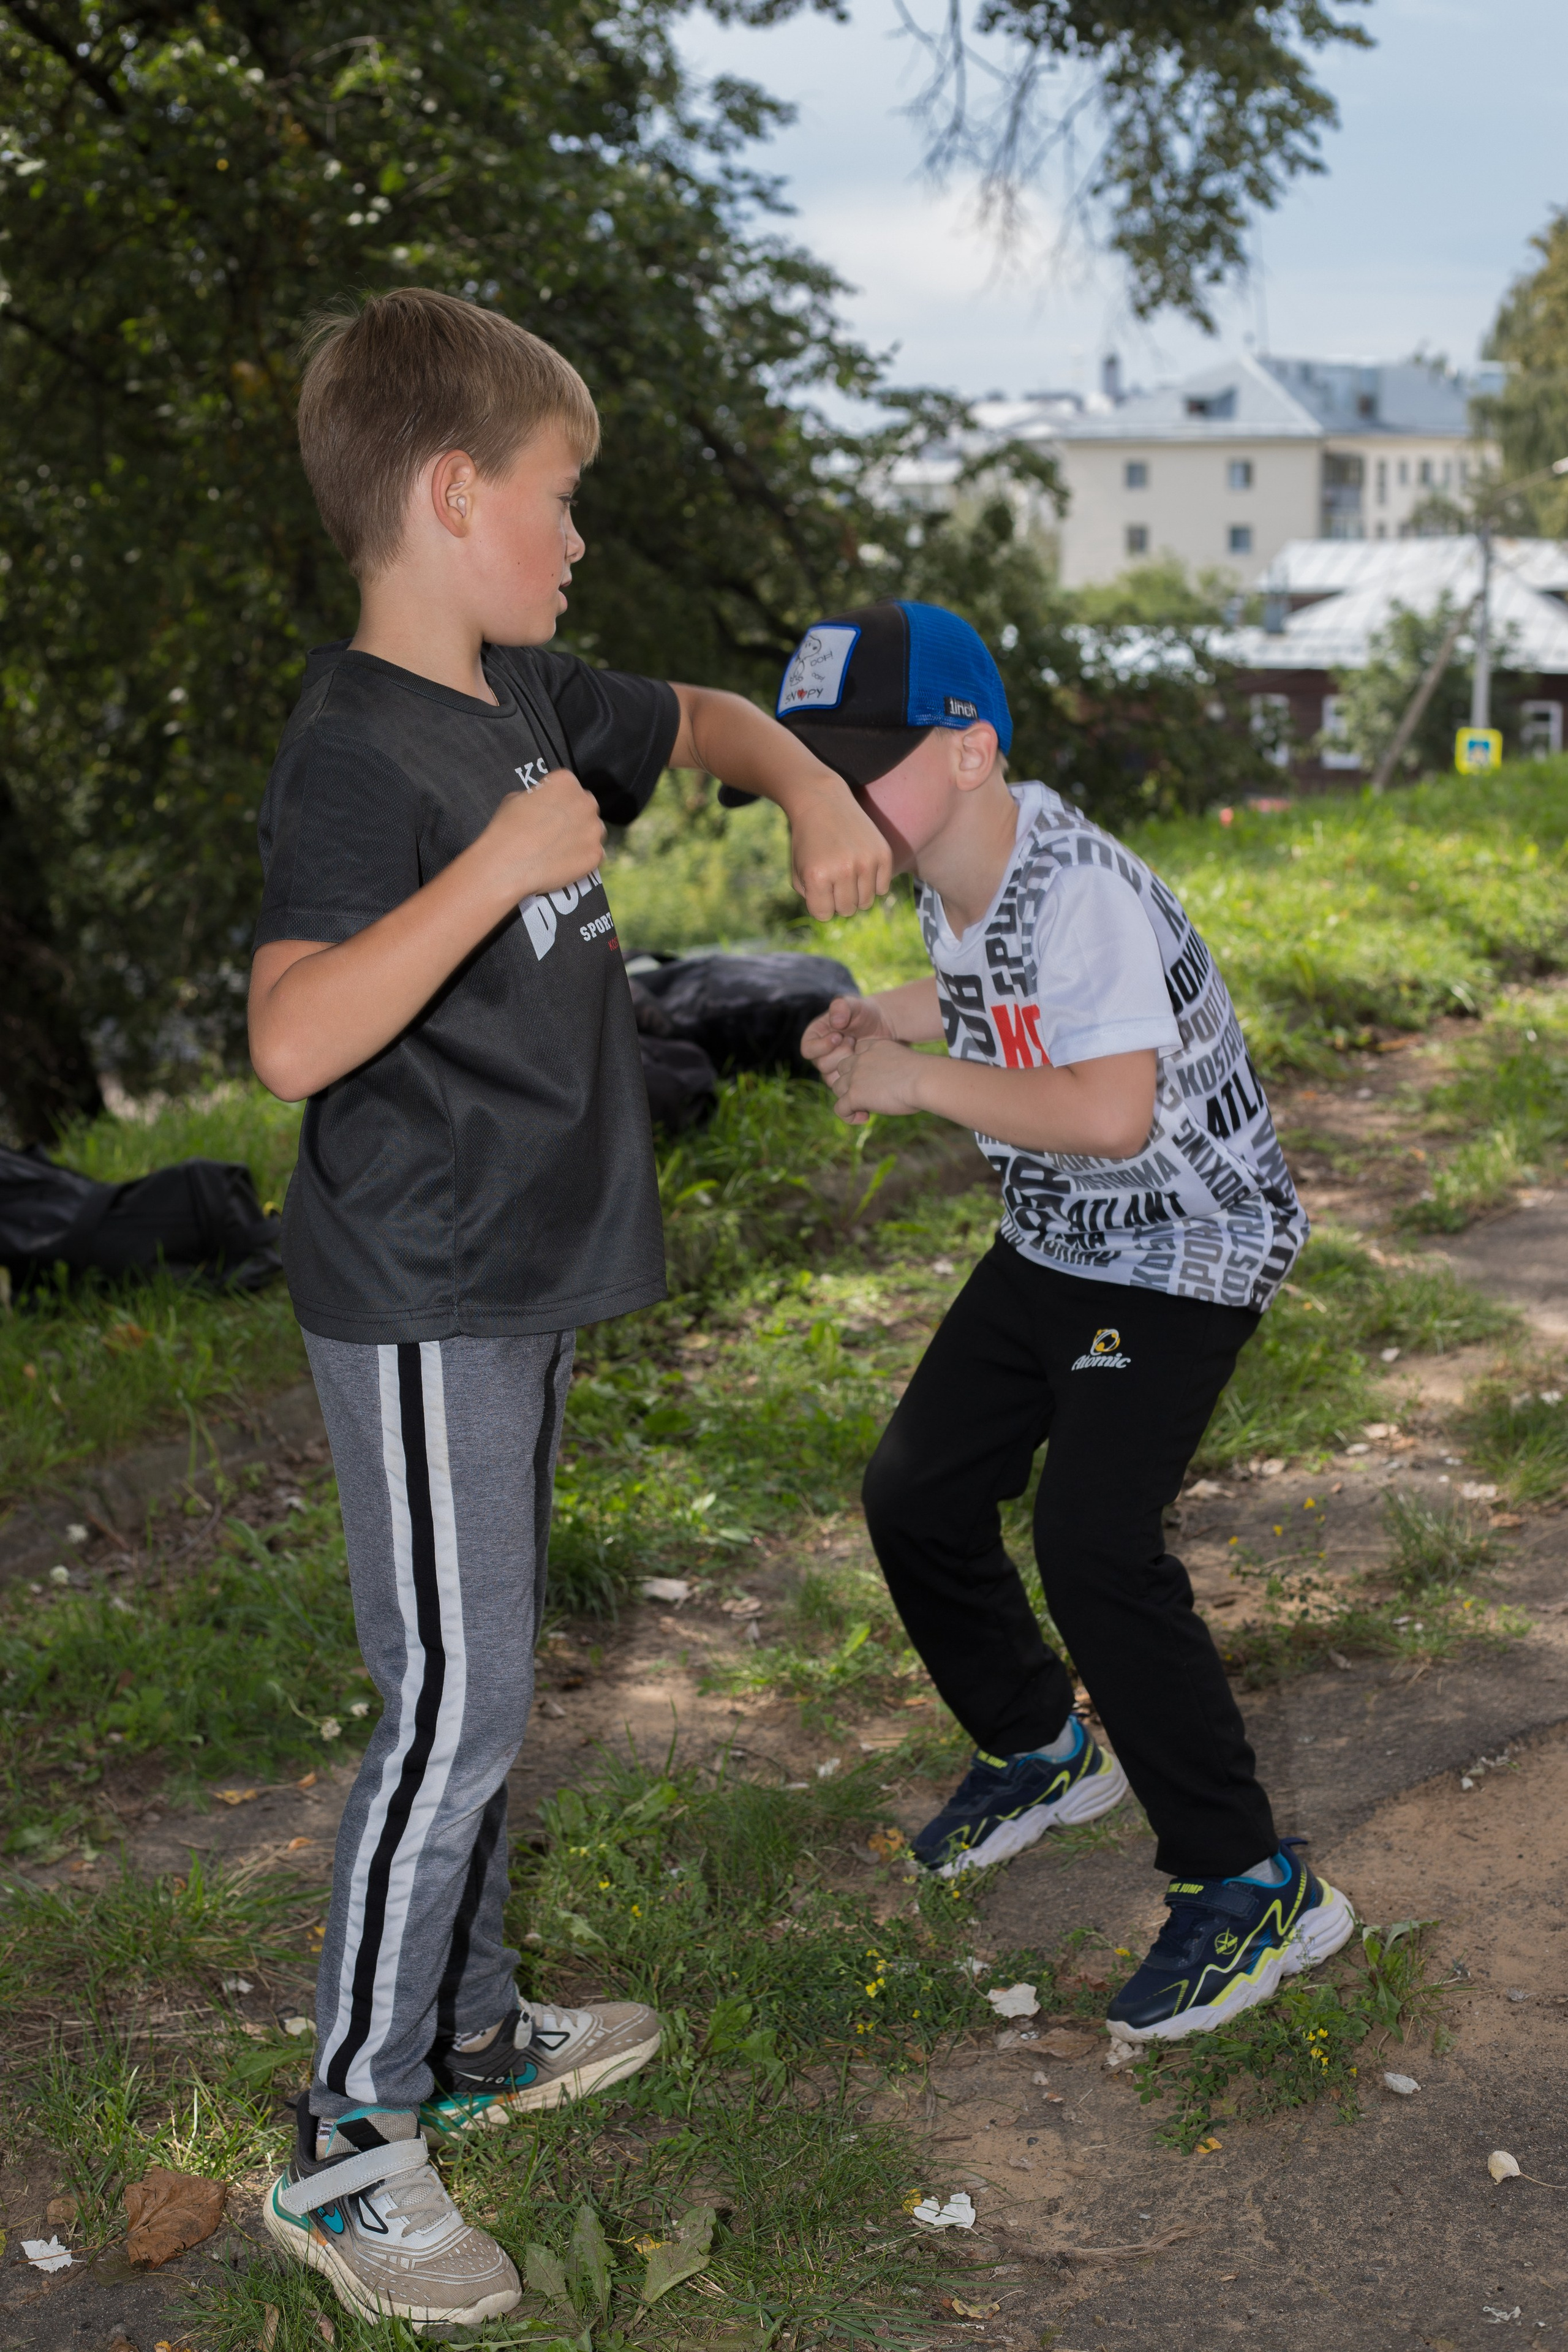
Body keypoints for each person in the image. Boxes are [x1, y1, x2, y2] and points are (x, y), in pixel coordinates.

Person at [247, 289, 891, 2332]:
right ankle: (352, 2146)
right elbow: (288, 1037)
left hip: (517, 1282)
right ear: (454, 495)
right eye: (558, 498)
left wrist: (809, 792)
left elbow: (698, 715)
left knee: (491, 1675)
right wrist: (497, 866)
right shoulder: (363, 750)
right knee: (456, 1703)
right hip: (424, 1288)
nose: (578, 537)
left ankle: (476, 2036)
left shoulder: (519, 688)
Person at [793, 598, 1354, 2050]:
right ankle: (1043, 1752)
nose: (832, 797)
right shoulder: (954, 862)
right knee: (913, 1489)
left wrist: (916, 1089)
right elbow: (989, 998)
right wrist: (887, 1019)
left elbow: (1106, 1111)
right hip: (1057, 1239)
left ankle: (1250, 1886)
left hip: (1175, 1252)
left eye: (862, 762)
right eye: (814, 766)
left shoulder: (1080, 886)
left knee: (1095, 1544)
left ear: (969, 749)